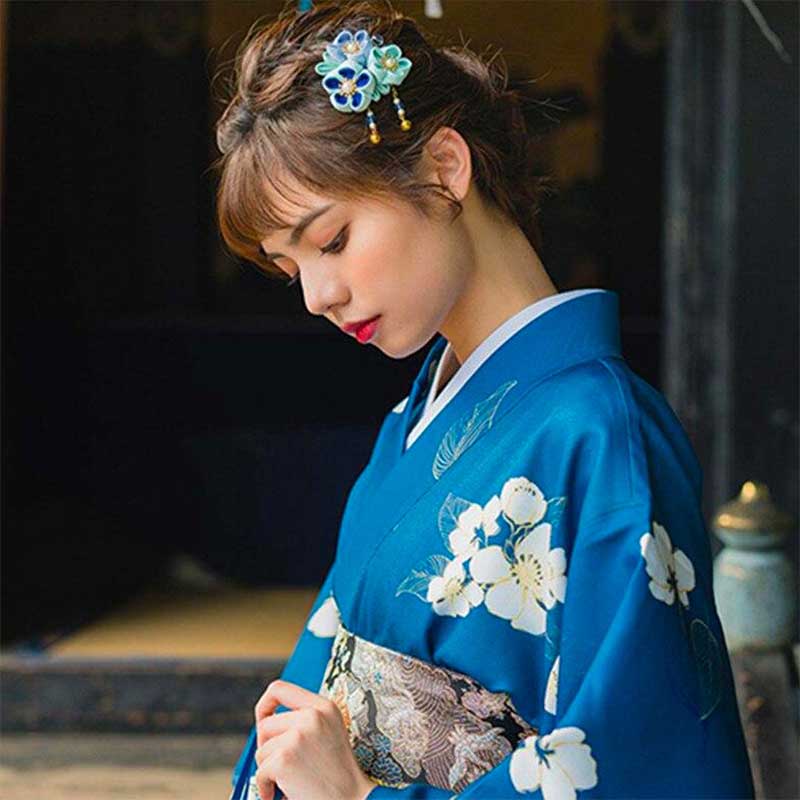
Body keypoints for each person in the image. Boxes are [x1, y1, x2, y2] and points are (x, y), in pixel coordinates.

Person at [212, 2, 755, 798]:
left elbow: (641, 761)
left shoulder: (602, 434)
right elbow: (315, 690)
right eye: (292, 269)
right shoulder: (413, 422)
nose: (317, 296)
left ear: (444, 167)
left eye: (332, 241)